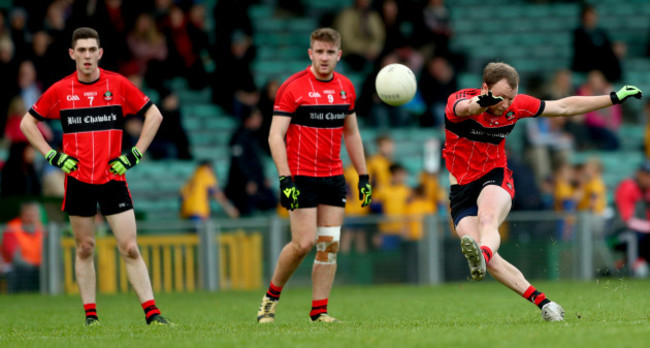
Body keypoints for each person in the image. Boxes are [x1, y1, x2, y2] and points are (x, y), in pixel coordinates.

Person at [443, 61, 642, 321]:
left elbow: (563, 106)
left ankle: (482, 252)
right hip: (460, 192)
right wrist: (482, 102)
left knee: (488, 220)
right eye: (499, 97)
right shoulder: (459, 100)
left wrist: (613, 98)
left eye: (511, 98)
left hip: (495, 175)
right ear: (484, 88)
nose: (505, 104)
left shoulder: (516, 105)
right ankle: (545, 303)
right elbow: (466, 108)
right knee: (491, 263)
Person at [19, 27, 170, 326]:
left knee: (130, 247)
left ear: (100, 53)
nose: (87, 56)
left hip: (113, 179)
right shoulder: (61, 90)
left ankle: (153, 315)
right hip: (77, 181)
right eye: (82, 50)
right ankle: (92, 318)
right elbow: (27, 123)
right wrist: (51, 155)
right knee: (85, 247)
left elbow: (155, 115)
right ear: (72, 54)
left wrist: (135, 153)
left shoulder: (118, 83)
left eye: (92, 50)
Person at [257, 28, 371, 323]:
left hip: (333, 177)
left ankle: (319, 311)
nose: (324, 58)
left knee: (329, 245)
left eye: (329, 52)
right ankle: (270, 300)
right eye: (319, 52)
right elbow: (274, 136)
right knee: (303, 244)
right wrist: (285, 179)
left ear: (339, 55)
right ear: (310, 53)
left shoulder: (346, 87)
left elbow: (352, 133)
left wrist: (363, 175)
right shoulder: (292, 88)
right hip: (301, 177)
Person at [612, 161, 650, 277]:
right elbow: (626, 219)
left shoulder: (646, 191)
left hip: (641, 233)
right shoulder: (627, 186)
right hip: (617, 233)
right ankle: (632, 271)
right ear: (639, 174)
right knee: (633, 237)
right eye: (647, 175)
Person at [0, 202, 44, 293]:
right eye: (28, 215)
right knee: (23, 271)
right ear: (22, 215)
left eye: (33, 215)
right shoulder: (12, 228)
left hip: (37, 266)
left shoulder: (41, 228)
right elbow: (15, 258)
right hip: (13, 266)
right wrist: (34, 266)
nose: (31, 219)